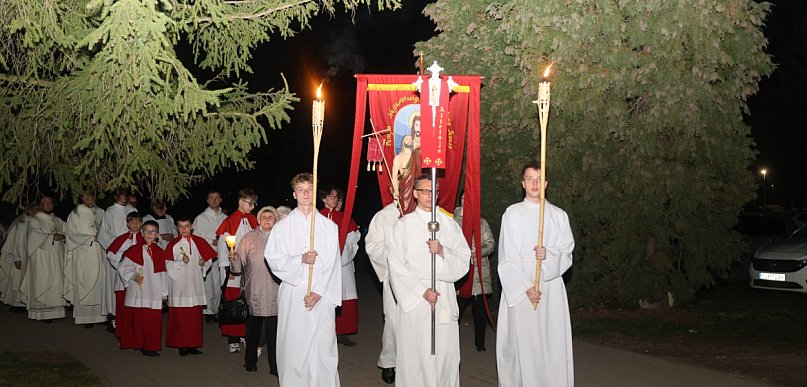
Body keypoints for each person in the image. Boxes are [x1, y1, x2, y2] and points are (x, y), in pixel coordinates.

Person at [496, 160, 575, 387]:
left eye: (539, 179)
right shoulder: (512, 214)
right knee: (524, 345)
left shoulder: (558, 215)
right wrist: (525, 287)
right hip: (521, 290)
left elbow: (567, 252)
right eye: (530, 179)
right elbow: (507, 256)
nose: (534, 184)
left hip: (550, 288)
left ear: (546, 184)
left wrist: (548, 255)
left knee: (551, 344)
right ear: (523, 183)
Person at [387, 174, 469, 387]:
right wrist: (421, 291)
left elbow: (463, 258)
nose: (431, 196)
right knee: (418, 353)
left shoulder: (449, 224)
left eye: (435, 192)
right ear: (415, 194)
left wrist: (443, 251)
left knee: (444, 354)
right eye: (426, 191)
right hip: (416, 300)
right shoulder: (403, 226)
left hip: (443, 294)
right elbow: (395, 265)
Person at [265, 173, 342, 387]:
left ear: (315, 193)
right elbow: (272, 258)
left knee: (322, 347)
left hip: (322, 295)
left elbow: (333, 263)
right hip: (294, 292)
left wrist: (319, 291)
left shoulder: (329, 227)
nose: (306, 193)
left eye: (309, 189)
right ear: (294, 194)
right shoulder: (282, 227)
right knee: (294, 345)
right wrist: (299, 259)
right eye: (301, 189)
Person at [231, 206, 280, 374]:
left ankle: (275, 366)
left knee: (274, 334)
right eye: (263, 217)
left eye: (270, 217)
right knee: (253, 332)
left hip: (275, 292)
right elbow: (238, 266)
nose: (266, 219)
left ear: (275, 220)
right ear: (258, 220)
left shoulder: (280, 237)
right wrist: (234, 259)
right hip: (255, 292)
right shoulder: (249, 237)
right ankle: (250, 362)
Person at [165, 216, 217, 356]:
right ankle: (182, 344)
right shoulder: (173, 244)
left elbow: (207, 260)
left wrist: (203, 263)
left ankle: (193, 344)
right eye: (180, 226)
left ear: (192, 226)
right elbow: (168, 266)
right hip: (179, 284)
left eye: (186, 226)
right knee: (181, 316)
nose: (184, 229)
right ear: (177, 227)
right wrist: (181, 262)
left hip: (194, 282)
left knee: (194, 315)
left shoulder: (199, 242)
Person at [215, 188, 258, 353]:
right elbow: (222, 247)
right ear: (241, 202)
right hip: (233, 269)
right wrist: (228, 269)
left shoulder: (253, 219)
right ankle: (233, 338)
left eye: (254, 204)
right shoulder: (231, 220)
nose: (252, 207)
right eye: (250, 203)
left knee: (248, 302)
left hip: (249, 268)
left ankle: (245, 335)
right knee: (233, 302)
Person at [365, 199, 402, 384]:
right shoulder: (384, 216)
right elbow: (373, 245)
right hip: (394, 275)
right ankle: (389, 361)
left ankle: (412, 361)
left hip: (420, 279)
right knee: (393, 320)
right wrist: (394, 259)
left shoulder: (422, 212)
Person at [118, 220, 169, 356]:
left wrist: (165, 293)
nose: (149, 234)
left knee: (152, 321)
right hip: (138, 290)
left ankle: (151, 345)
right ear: (142, 233)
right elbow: (123, 267)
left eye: (152, 231)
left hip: (154, 291)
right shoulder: (134, 250)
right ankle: (139, 343)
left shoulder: (160, 252)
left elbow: (164, 274)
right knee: (139, 319)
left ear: (157, 234)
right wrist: (134, 276)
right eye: (146, 231)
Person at [453, 193, 496, 352]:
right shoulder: (452, 222)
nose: (466, 201)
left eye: (469, 198)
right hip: (460, 272)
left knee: (479, 311)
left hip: (479, 272)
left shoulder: (481, 222)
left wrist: (477, 251)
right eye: (464, 198)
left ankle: (480, 343)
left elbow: (490, 244)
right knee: (456, 309)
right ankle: (450, 341)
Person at [319, 186, 361, 347]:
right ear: (324, 198)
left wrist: (343, 254)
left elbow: (353, 238)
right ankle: (324, 333)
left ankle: (342, 332)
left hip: (343, 264)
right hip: (323, 266)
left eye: (336, 197)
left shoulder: (344, 217)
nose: (334, 199)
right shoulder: (317, 217)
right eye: (331, 196)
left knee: (344, 295)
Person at [20, 194, 67, 322]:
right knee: (43, 282)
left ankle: (56, 312)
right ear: (40, 205)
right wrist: (51, 237)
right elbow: (33, 235)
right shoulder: (35, 220)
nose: (48, 205)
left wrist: (63, 235)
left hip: (56, 255)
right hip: (41, 257)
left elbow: (68, 230)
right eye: (45, 203)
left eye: (50, 202)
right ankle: (43, 313)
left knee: (56, 282)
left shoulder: (57, 220)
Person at [63, 192, 107, 327]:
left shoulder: (101, 212)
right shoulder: (75, 213)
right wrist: (90, 238)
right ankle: (86, 318)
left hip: (100, 252)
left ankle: (101, 316)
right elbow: (71, 234)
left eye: (91, 196)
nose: (88, 199)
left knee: (100, 284)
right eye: (85, 196)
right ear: (81, 197)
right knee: (85, 284)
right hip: (83, 253)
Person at [97, 189, 136, 328]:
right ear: (115, 196)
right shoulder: (110, 211)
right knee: (115, 285)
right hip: (117, 253)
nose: (124, 198)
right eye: (121, 195)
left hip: (133, 253)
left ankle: (129, 316)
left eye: (125, 195)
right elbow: (104, 234)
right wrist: (118, 248)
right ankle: (113, 317)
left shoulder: (132, 210)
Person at [106, 212, 144, 337]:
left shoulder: (146, 238)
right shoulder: (121, 239)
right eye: (132, 222)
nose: (135, 224)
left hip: (140, 276)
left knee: (139, 308)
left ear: (141, 223)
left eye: (138, 221)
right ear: (127, 224)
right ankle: (123, 335)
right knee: (123, 308)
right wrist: (124, 258)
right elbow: (111, 254)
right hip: (123, 279)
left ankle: (138, 335)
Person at [193, 190, 227, 324]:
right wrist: (211, 241)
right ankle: (208, 311)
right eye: (211, 198)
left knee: (219, 284)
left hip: (223, 255)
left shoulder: (225, 218)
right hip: (207, 255)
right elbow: (196, 236)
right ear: (207, 200)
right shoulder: (201, 218)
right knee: (209, 284)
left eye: (217, 197)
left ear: (220, 200)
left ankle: (217, 309)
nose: (214, 200)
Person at [0, 202, 38, 311]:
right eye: (33, 209)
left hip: (28, 256)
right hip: (18, 256)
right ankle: (16, 304)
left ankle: (25, 303)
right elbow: (15, 242)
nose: (35, 211)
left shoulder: (33, 221)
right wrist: (16, 258)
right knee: (16, 279)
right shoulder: (21, 222)